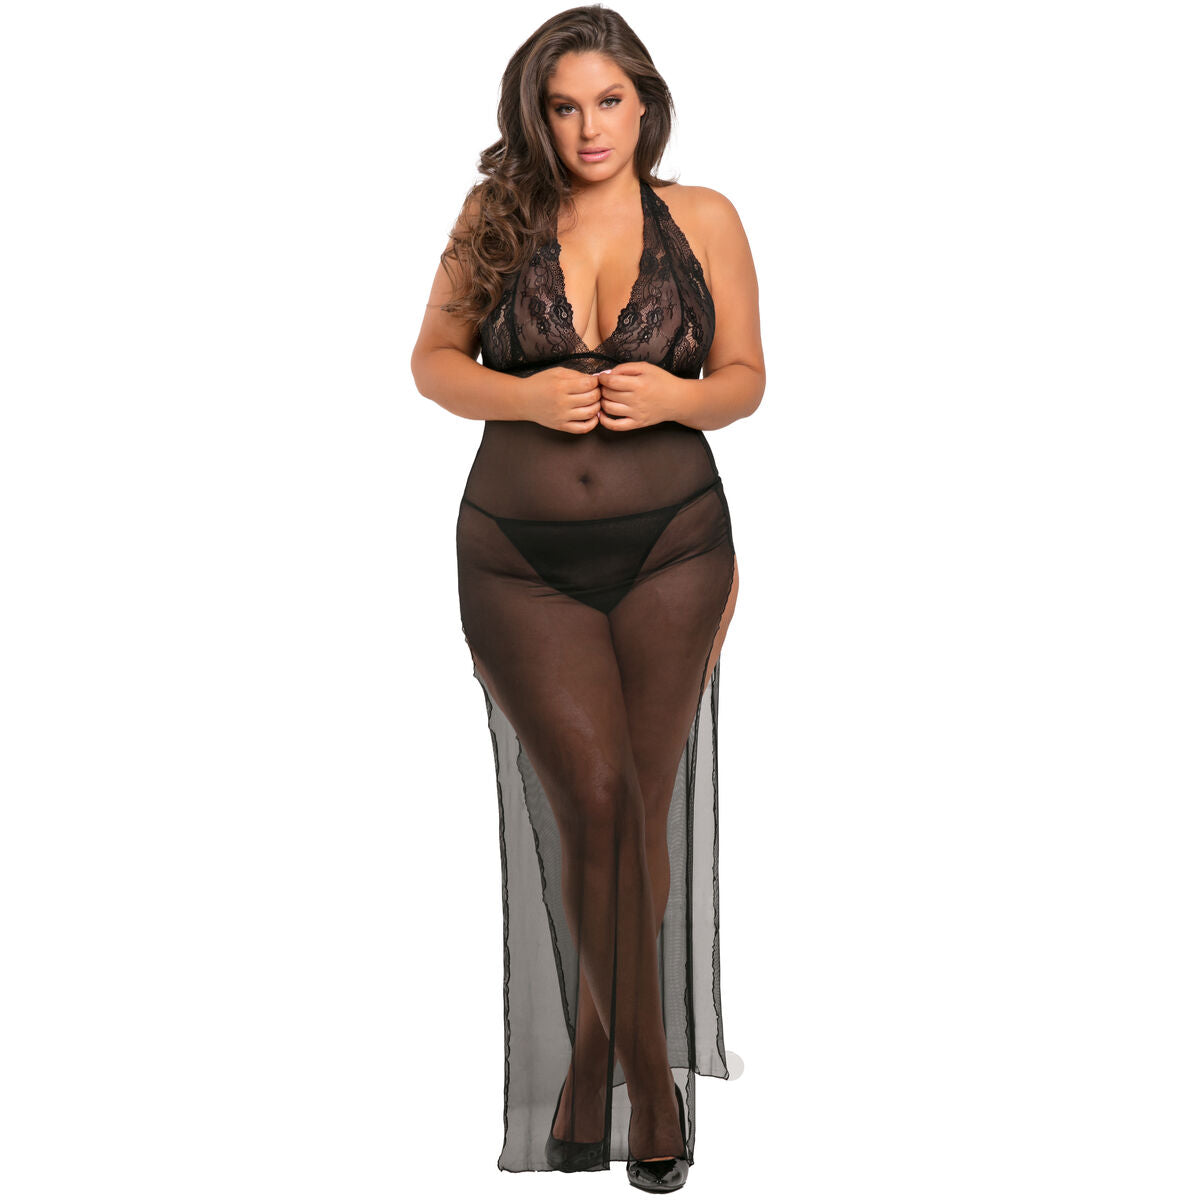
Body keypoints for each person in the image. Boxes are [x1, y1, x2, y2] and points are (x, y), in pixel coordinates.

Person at [410, 6, 764, 1190]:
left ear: (644, 103)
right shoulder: (498, 216)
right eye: (563, 106)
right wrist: (523, 398)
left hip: (676, 551)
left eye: (608, 101)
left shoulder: (704, 218)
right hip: (520, 562)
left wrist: (674, 399)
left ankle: (590, 1070)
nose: (588, 127)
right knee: (595, 802)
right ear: (537, 116)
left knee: (639, 813)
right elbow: (432, 362)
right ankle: (652, 1091)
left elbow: (745, 380)